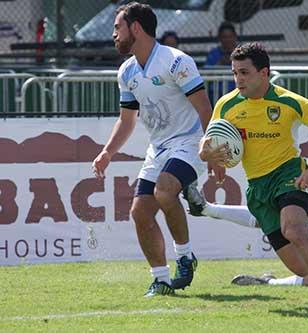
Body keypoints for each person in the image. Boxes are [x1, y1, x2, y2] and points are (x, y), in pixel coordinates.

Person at [198, 42, 308, 315]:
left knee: (294, 229)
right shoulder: (227, 104)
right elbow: (208, 145)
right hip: (257, 187)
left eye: (244, 72)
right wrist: (211, 156)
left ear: (264, 73)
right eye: (235, 73)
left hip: (289, 173)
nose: (238, 79)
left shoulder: (289, 101)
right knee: (302, 269)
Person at [91, 2, 214, 297]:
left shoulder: (176, 61)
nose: (114, 34)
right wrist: (108, 152)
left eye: (117, 27)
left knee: (164, 190)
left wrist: (213, 149)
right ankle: (160, 279)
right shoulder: (127, 71)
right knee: (140, 213)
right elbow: (127, 120)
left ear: (135, 28)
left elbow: (204, 108)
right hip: (158, 149)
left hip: (188, 142)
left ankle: (184, 256)